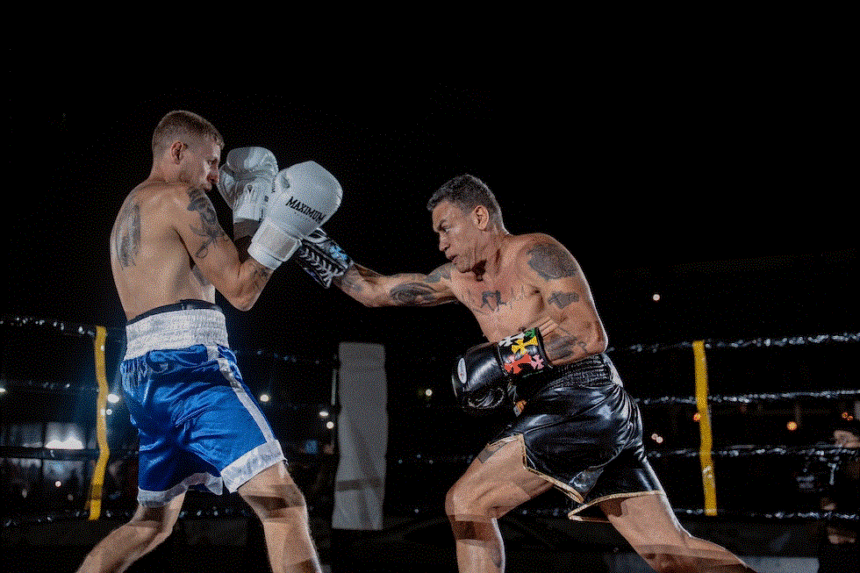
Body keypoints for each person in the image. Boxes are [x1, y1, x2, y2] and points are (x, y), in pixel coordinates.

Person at [293, 174, 756, 572]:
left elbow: (589, 336)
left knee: (467, 503)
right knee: (668, 552)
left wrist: (501, 359)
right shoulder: (458, 280)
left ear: (480, 216)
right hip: (562, 410)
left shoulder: (535, 253)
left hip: (582, 396)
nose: (441, 244)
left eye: (446, 228)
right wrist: (298, 231)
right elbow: (374, 291)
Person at [78, 110, 341, 573]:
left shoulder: (132, 207)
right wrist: (281, 226)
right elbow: (241, 290)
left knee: (151, 523)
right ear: (178, 150)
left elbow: (222, 272)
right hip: (190, 366)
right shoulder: (183, 197)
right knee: (283, 504)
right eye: (211, 161)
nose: (217, 175)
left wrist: (245, 222)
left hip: (143, 373)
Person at [817, 418, 859, 572]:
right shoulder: (832, 471)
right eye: (835, 440)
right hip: (833, 553)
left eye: (844, 439)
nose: (838, 445)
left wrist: (848, 533)